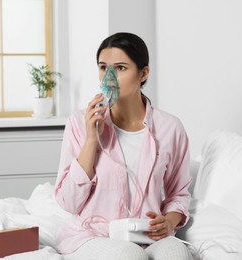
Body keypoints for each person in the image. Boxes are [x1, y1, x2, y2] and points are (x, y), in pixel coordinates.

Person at [54, 32, 193, 260]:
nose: (108, 77)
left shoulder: (170, 128)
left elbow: (178, 193)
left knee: (177, 253)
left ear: (143, 73)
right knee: (129, 255)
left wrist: (168, 223)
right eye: (102, 67)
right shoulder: (79, 123)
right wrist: (91, 139)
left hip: (145, 234)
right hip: (92, 236)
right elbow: (68, 202)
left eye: (120, 68)